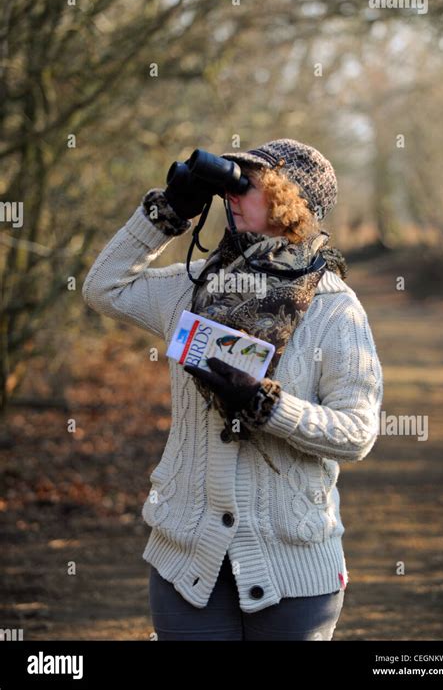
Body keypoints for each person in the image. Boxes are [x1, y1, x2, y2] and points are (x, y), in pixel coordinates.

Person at [82, 138, 383, 641]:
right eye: (230, 183)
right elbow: (102, 287)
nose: (232, 195)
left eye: (250, 185)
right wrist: (166, 214)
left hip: (294, 569)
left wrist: (270, 407)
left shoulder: (336, 309)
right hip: (185, 561)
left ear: (290, 202)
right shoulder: (189, 288)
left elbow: (358, 432)